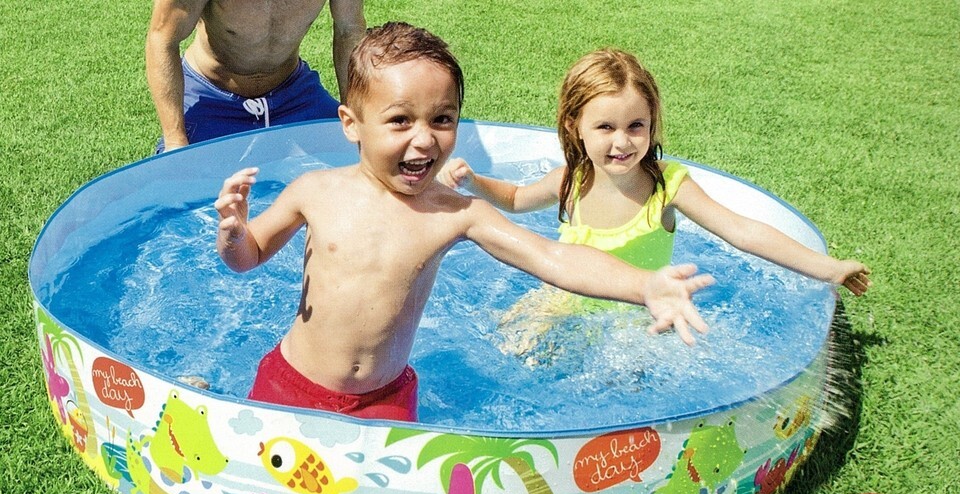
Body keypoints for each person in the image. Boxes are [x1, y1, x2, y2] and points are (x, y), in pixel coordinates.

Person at [215, 23, 715, 422]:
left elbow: (551, 257)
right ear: (351, 123)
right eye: (400, 120)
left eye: (442, 119)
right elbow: (246, 259)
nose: (424, 138)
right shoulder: (315, 191)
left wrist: (642, 285)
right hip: (292, 382)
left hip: (384, 399)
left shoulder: (455, 212)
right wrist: (235, 234)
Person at [439, 48, 871, 328]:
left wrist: (827, 267)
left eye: (636, 126)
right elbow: (517, 199)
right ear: (575, 127)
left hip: (638, 313)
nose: (622, 142)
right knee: (508, 338)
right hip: (565, 301)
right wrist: (474, 182)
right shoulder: (571, 179)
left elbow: (742, 231)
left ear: (651, 123)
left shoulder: (667, 187)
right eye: (605, 127)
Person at [147, 0, 366, 153]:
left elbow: (349, 31)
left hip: (294, 95)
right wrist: (175, 140)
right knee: (180, 189)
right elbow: (162, 38)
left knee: (362, 158)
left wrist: (355, 114)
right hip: (211, 98)